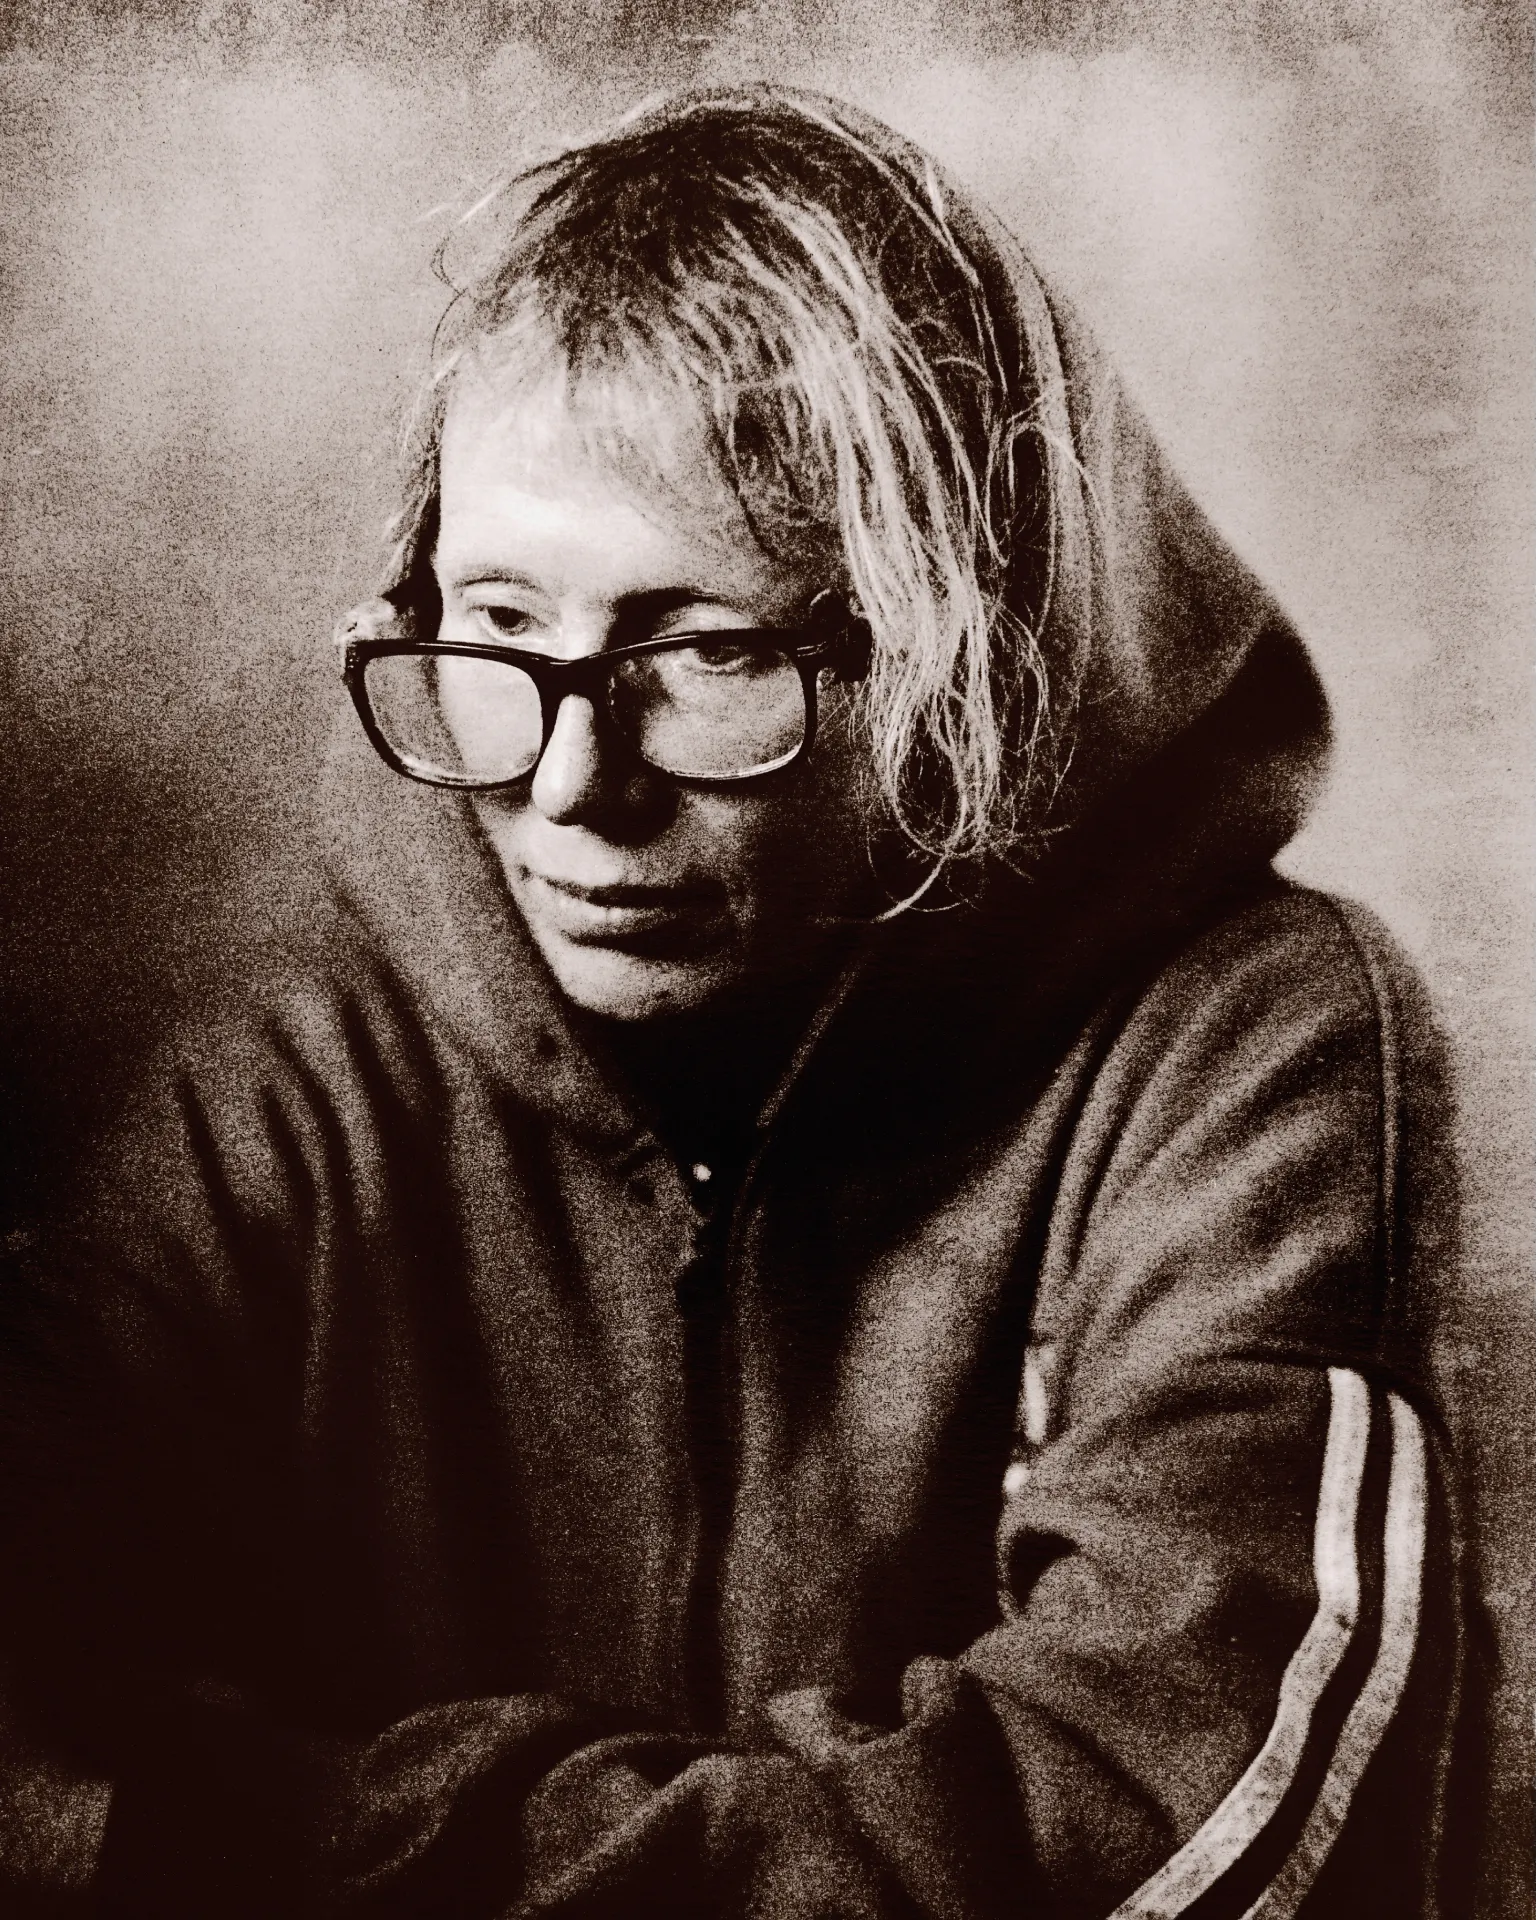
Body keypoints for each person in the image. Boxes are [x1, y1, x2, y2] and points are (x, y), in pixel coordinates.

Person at [0, 85, 1466, 1919]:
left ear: (957, 655)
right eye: (498, 628)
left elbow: (1162, 1832)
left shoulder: (1258, 1044)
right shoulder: (290, 1090)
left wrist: (223, 1841)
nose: (570, 785)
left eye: (705, 651)